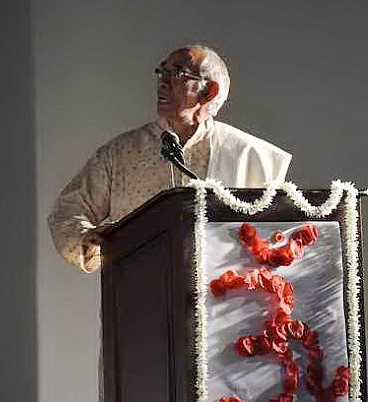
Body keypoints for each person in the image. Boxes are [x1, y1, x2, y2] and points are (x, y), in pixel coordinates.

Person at [48, 45, 292, 273]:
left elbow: (271, 238)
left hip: (224, 294)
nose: (163, 82)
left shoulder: (249, 155)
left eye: (177, 74)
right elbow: (66, 212)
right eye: (161, 72)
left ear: (209, 92)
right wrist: (88, 238)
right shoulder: (121, 153)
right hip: (140, 288)